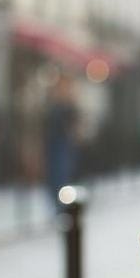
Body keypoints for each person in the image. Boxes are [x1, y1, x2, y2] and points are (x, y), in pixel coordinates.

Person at [43, 71, 83, 208]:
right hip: (52, 144)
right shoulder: (52, 104)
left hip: (64, 145)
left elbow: (75, 126)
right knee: (53, 179)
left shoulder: (69, 106)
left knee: (62, 177)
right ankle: (58, 207)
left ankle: (62, 207)